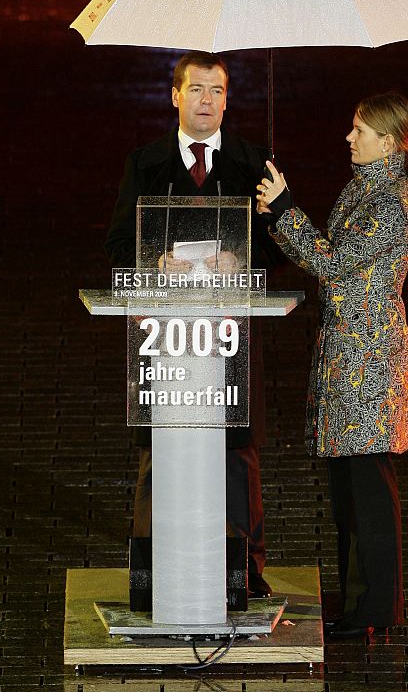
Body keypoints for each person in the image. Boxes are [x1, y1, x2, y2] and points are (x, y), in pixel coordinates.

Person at [105, 50, 282, 598]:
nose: (208, 101)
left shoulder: (253, 163)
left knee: (236, 451)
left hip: (229, 335)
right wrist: (153, 262)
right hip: (165, 339)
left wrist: (244, 258)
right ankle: (152, 568)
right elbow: (116, 246)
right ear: (175, 96)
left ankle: (245, 566)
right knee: (161, 449)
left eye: (219, 91)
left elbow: (281, 245)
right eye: (198, 90)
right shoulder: (145, 163)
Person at [257, 91, 408, 637]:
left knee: (370, 490)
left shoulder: (392, 204)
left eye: (359, 130)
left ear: (389, 141)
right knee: (350, 495)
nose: (348, 138)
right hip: (350, 355)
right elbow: (327, 256)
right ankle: (361, 605)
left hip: (370, 362)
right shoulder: (367, 188)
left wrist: (286, 209)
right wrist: (281, 217)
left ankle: (377, 609)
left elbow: (331, 259)